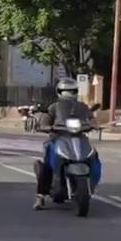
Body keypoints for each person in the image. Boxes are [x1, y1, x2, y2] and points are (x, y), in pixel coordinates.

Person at [34, 78, 93, 209]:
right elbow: (45, 120)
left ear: (76, 92)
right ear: (59, 92)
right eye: (65, 91)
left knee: (94, 155)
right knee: (48, 159)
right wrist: (46, 126)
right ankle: (40, 195)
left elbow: (90, 118)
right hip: (58, 137)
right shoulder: (54, 107)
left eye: (71, 91)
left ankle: (92, 181)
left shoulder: (82, 107)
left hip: (79, 137)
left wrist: (93, 124)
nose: (68, 94)